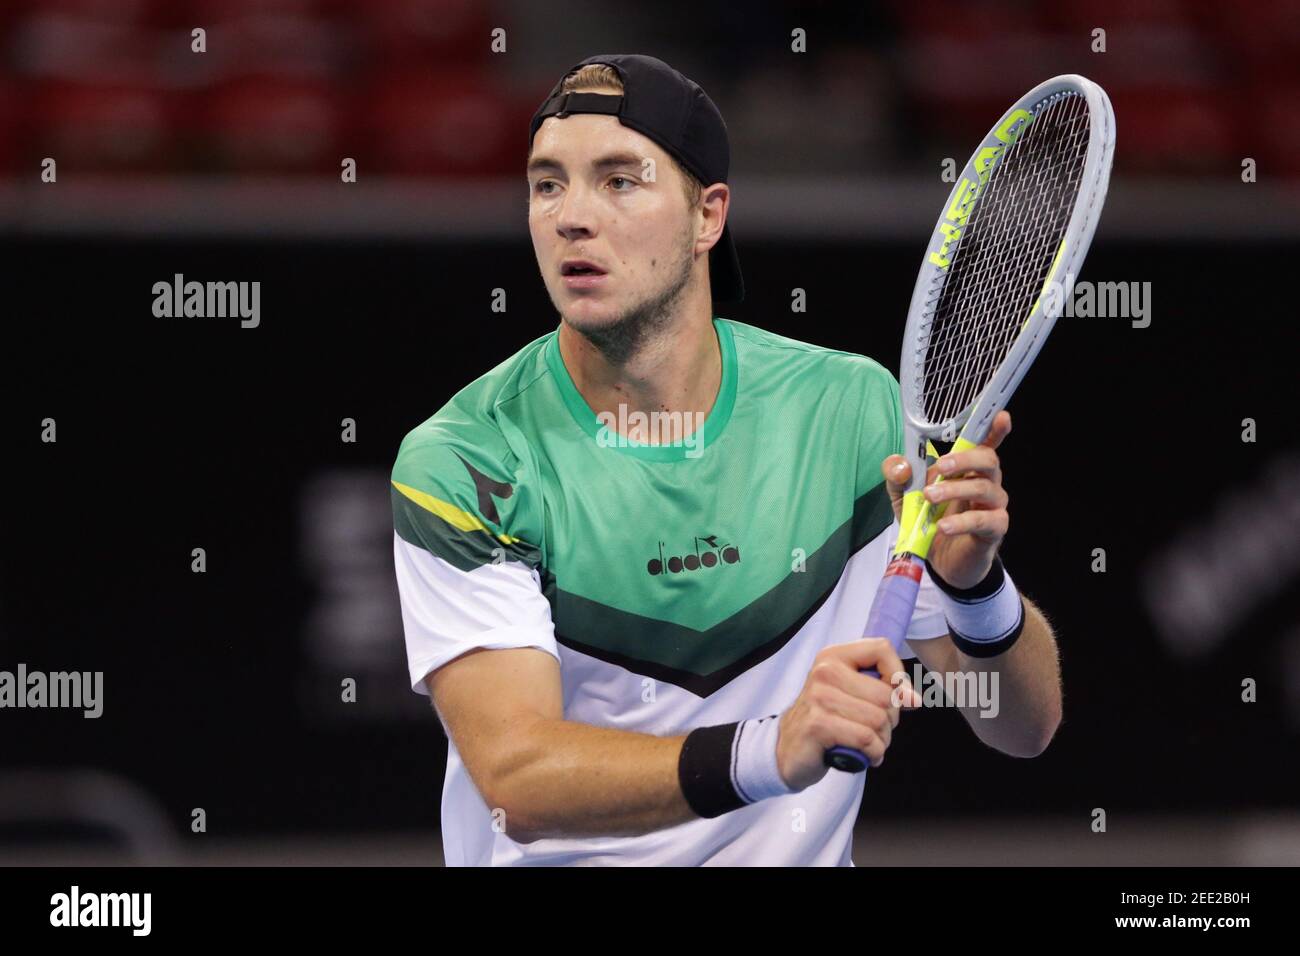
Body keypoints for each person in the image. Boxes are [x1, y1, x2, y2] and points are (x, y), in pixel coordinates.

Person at [391, 54, 1062, 866]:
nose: (571, 216)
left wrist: (974, 588)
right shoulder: (467, 460)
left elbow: (1025, 727)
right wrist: (772, 750)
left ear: (708, 216)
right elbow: (518, 780)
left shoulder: (849, 411)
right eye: (546, 184)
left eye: (618, 180)